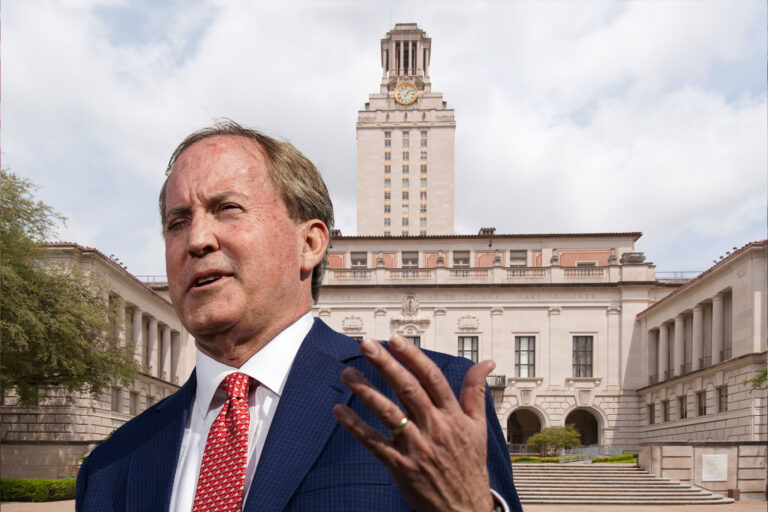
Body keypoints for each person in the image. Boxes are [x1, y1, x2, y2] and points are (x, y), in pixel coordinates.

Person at [75, 121, 521, 512]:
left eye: (227, 209)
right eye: (177, 223)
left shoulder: (433, 405)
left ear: (309, 244)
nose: (197, 239)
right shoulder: (110, 467)